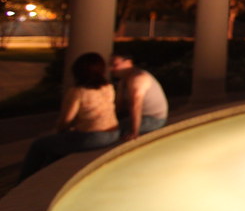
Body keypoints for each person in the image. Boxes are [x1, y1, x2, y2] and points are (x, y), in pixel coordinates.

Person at [17, 52, 120, 183]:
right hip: (113, 133)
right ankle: (44, 178)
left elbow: (66, 120)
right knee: (57, 144)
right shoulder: (108, 87)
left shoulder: (78, 92)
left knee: (39, 145)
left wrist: (59, 130)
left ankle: (23, 182)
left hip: (92, 138)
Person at [110, 51, 168, 141]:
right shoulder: (124, 80)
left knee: (111, 131)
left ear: (128, 62)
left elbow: (136, 105)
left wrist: (134, 132)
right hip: (139, 116)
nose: (111, 69)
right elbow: (119, 106)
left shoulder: (138, 78)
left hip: (153, 119)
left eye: (114, 65)